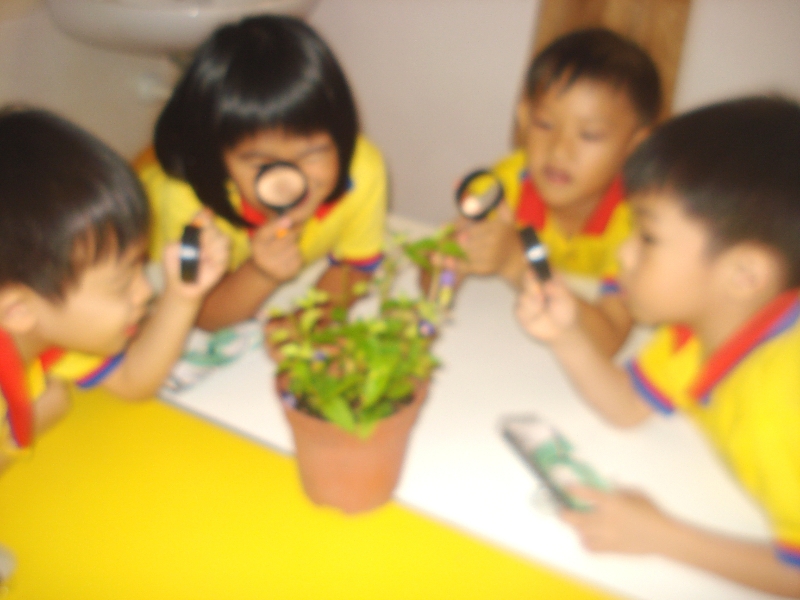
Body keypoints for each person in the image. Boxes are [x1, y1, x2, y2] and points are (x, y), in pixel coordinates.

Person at [515, 96, 800, 596]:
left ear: (743, 275)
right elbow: (629, 405)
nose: (623, 255)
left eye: (646, 237)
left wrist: (661, 537)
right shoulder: (699, 332)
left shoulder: (782, 400)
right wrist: (566, 334)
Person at [138, 15, 387, 333]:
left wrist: (308, 323)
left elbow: (356, 265)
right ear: (219, 157)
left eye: (312, 154)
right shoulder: (186, 200)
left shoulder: (361, 170)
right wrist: (261, 274)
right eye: (260, 163)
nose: (288, 184)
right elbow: (199, 313)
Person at [457, 28, 660, 356]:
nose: (559, 151)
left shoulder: (640, 223)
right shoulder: (502, 187)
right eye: (545, 124)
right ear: (524, 117)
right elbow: (431, 278)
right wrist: (453, 255)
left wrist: (516, 263)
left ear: (635, 146)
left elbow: (608, 340)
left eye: (589, 135)